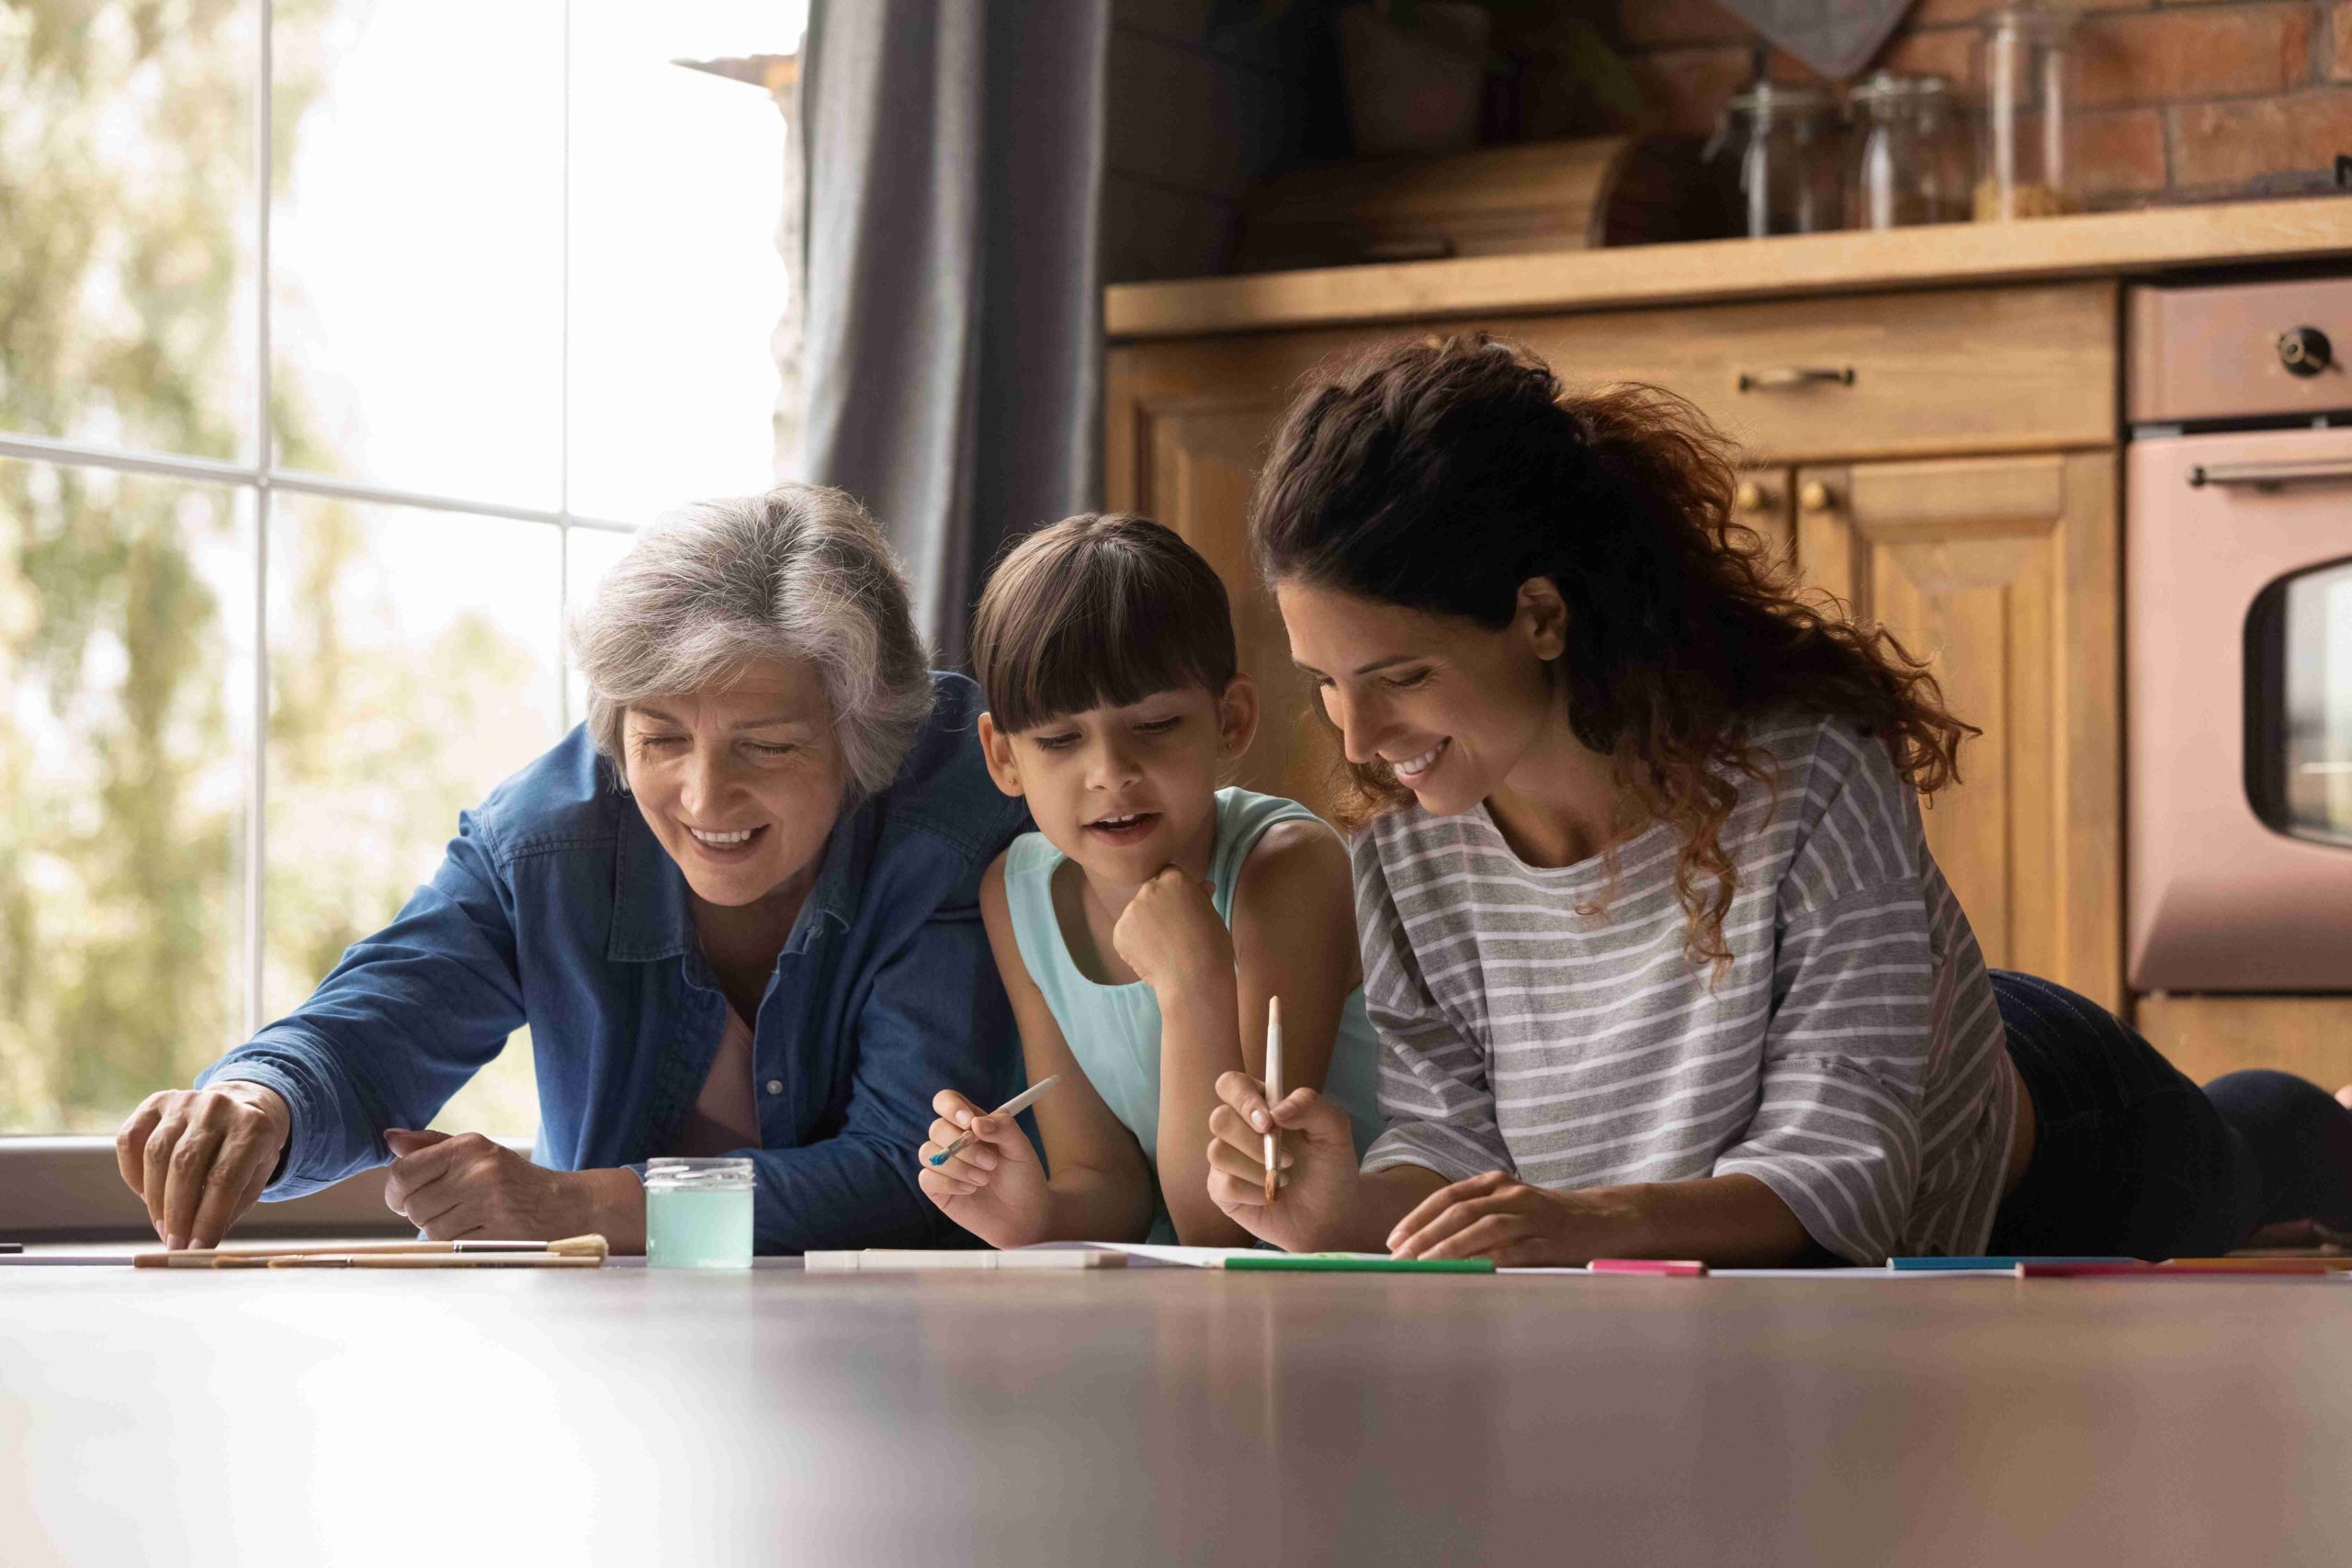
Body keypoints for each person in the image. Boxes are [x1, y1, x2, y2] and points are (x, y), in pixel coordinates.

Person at [1203, 334, 2352, 1265]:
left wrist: (1582, 1222)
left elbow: (1846, 1162)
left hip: (2045, 1141)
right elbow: (1453, 1146)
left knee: (2270, 1155)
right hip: (1834, 1064)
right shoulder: (1405, 857)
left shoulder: (1804, 774)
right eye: (1325, 686)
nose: (1356, 739)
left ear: (1542, 618)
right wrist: (1337, 1211)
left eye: (1400, 677)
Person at [114, 486, 1029, 1255]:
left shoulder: (947, 807)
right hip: (616, 1353)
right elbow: (375, 1031)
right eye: (661, 739)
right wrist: (256, 1100)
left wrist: (581, 1205)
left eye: (768, 746)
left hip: (908, 1347)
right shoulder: (547, 837)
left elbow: (912, 1172)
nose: (705, 798)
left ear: (861, 741)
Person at [915, 513, 1384, 1246]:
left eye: (1156, 724)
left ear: (1230, 720)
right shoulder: (1018, 896)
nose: (1111, 775)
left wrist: (1194, 979)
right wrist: (1033, 1211)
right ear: (1003, 757)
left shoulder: (1285, 868)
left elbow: (1234, 1215)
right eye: (1060, 739)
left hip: (1357, 1275)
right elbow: (1108, 1182)